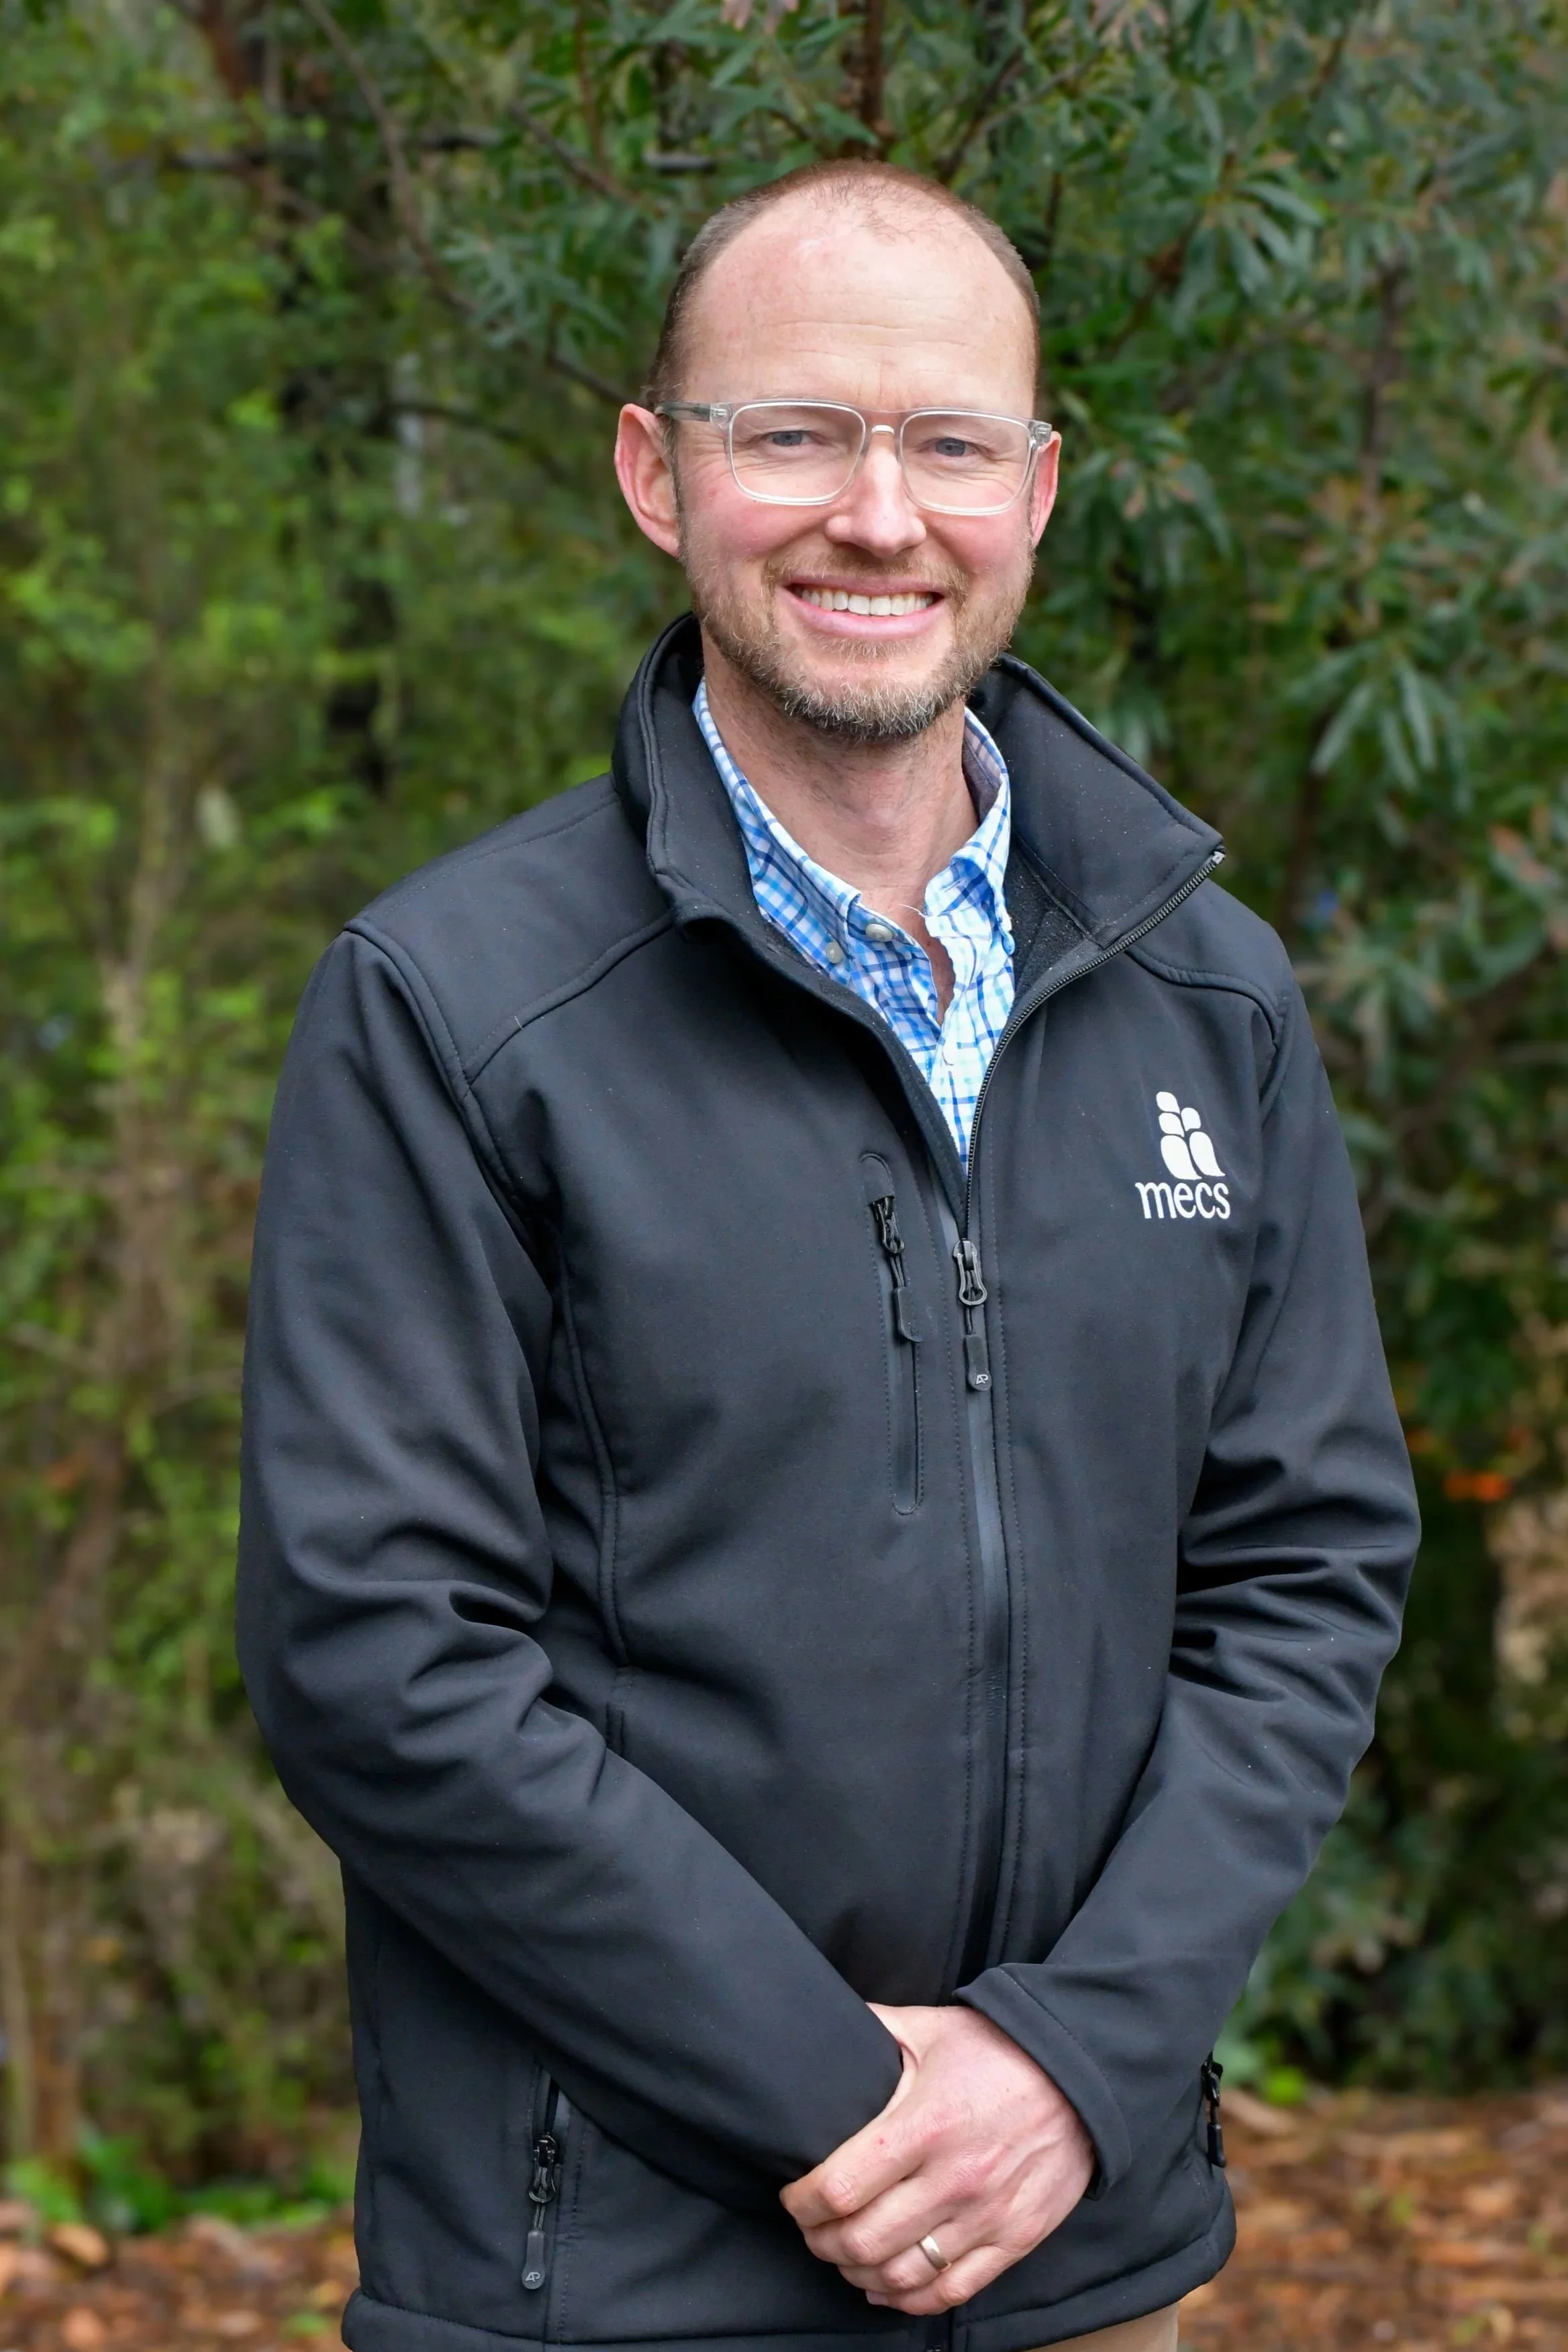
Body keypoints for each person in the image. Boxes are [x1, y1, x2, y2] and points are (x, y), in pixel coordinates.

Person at [237, 160, 1419, 2352]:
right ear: (653, 473)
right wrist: (858, 2102)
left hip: (1087, 2254)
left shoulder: (1210, 999)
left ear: (1036, 494)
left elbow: (1307, 1574)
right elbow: (380, 1661)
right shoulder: (457, 1006)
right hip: (608, 2270)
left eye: (948, 442)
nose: (880, 513)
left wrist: (1072, 2062)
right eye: (792, 433)